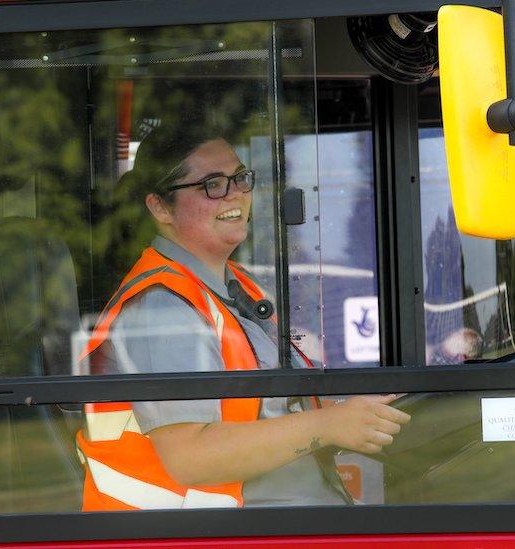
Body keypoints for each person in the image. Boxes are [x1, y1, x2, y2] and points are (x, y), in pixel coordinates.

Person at [76, 123, 410, 510]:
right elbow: (190, 457)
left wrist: (354, 412)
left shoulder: (237, 287)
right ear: (160, 207)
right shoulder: (163, 307)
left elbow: (267, 410)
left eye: (240, 178)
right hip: (222, 534)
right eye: (212, 185)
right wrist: (327, 426)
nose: (235, 194)